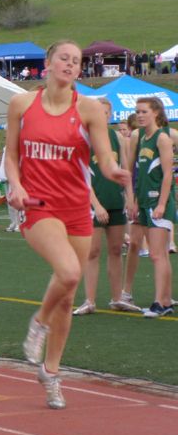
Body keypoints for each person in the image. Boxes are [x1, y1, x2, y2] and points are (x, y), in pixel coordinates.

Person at [6, 39, 130, 409]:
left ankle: (52, 373)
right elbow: (11, 156)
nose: (70, 64)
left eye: (77, 61)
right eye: (64, 58)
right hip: (38, 204)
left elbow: (104, 159)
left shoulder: (90, 109)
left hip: (77, 207)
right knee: (70, 272)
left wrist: (114, 171)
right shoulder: (22, 104)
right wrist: (15, 185)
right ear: (47, 63)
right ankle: (38, 324)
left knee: (68, 297)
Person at [73, 98, 139, 315]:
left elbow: (126, 170)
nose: (102, 115)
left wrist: (130, 198)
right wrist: (96, 205)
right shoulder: (83, 139)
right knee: (92, 251)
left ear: (109, 115)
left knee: (115, 250)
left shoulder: (118, 137)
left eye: (106, 112)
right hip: (93, 204)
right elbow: (81, 177)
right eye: (98, 111)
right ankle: (89, 300)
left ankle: (117, 298)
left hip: (115, 202)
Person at [126, 97, 175, 318]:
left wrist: (162, 204)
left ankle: (161, 302)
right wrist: (136, 201)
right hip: (145, 202)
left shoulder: (162, 138)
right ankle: (165, 300)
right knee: (159, 254)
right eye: (137, 111)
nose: (140, 115)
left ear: (156, 112)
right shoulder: (143, 139)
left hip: (157, 203)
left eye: (144, 111)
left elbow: (167, 174)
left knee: (157, 255)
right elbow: (141, 176)